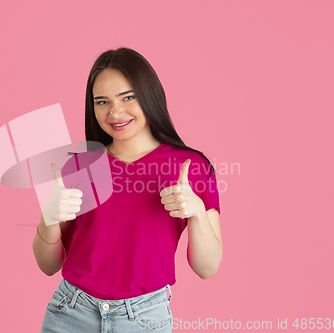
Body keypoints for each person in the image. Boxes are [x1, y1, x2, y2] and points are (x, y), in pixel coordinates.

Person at [33, 47, 222, 333]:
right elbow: (48, 266)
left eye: (128, 97)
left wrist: (196, 212)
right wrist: (48, 219)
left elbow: (207, 268)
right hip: (71, 313)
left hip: (144, 319)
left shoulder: (190, 166)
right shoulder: (78, 167)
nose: (115, 112)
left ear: (150, 95)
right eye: (102, 102)